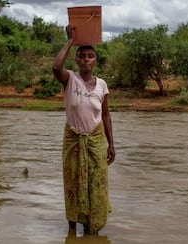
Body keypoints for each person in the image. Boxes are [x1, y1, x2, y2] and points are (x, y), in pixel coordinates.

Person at [52, 25, 115, 235]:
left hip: (96, 143)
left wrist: (111, 144)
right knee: (72, 184)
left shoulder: (102, 86)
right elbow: (55, 68)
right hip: (73, 141)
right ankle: (72, 229)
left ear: (95, 60)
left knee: (95, 186)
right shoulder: (70, 79)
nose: (86, 59)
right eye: (82, 56)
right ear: (76, 60)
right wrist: (70, 41)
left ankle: (92, 228)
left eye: (90, 56)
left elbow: (105, 115)